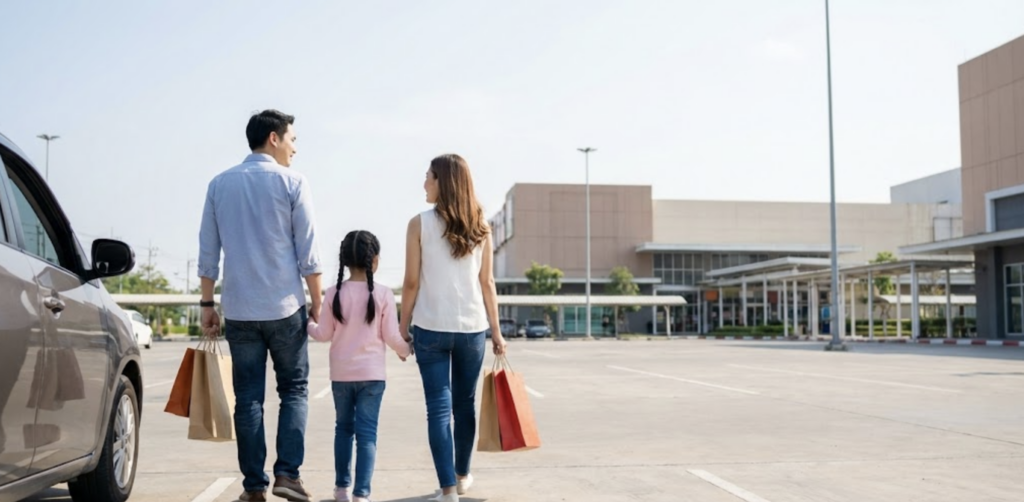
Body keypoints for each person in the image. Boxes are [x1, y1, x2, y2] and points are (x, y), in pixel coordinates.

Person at [198, 109, 322, 502]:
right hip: (285, 307)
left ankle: (254, 488)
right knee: (294, 390)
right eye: (292, 139)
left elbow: (208, 251)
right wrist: (317, 301)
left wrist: (206, 303)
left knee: (248, 397)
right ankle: (287, 475)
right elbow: (308, 251)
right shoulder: (293, 182)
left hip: (239, 309)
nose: (295, 149)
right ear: (274, 138)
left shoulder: (219, 184)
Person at [400, 154, 507, 502]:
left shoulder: (419, 224)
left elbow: (411, 282)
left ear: (443, 182)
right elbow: (487, 282)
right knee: (464, 405)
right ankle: (461, 476)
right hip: (472, 329)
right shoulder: (481, 226)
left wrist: (403, 325)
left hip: (430, 327)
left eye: (428, 177)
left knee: (438, 408)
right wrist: (496, 331)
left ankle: (448, 489)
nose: (424, 183)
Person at [307, 230, 412, 502]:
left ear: (344, 260)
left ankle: (341, 489)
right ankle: (361, 494)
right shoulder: (383, 294)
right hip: (372, 377)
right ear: (374, 260)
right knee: (367, 435)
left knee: (343, 429)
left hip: (341, 376)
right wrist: (406, 350)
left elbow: (323, 334)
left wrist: (308, 323)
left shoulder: (334, 293)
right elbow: (392, 336)